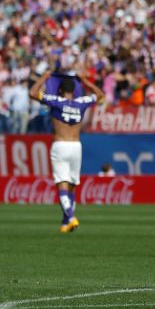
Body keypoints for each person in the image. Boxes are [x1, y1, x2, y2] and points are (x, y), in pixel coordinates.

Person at [29, 70, 105, 233]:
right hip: (76, 146)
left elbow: (33, 93)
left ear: (61, 91)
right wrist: (86, 81)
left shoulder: (55, 101)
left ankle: (70, 217)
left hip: (60, 145)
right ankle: (65, 223)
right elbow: (100, 94)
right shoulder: (82, 102)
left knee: (61, 184)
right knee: (72, 185)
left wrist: (44, 77)